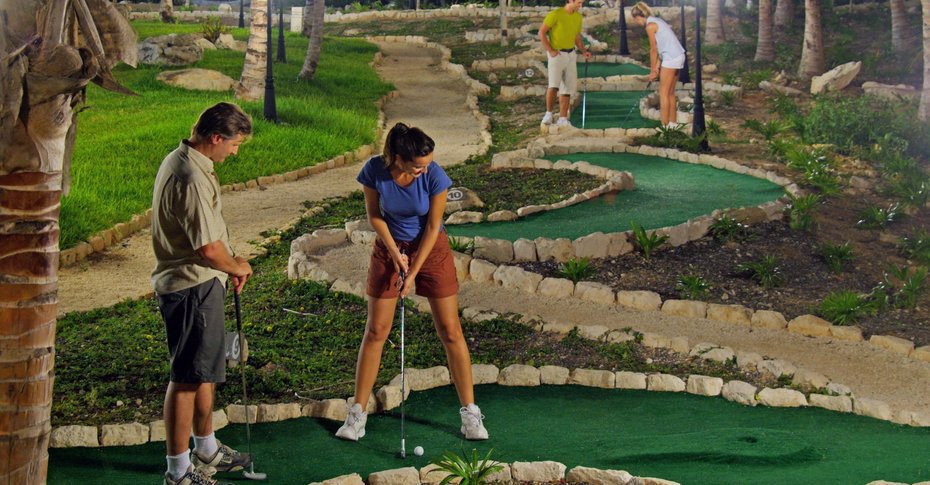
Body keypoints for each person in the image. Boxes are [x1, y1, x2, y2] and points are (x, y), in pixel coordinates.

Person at [335, 122, 489, 442]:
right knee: (376, 330)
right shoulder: (375, 171)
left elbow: (433, 227)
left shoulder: (435, 176)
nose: (425, 169)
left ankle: (470, 413)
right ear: (398, 158)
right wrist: (393, 253)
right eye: (419, 165)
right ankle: (357, 414)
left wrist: (413, 272)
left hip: (430, 251)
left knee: (450, 330)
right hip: (390, 247)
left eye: (428, 162)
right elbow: (375, 215)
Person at [152, 102, 255, 485]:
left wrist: (230, 264)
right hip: (190, 286)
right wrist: (237, 265)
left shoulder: (185, 160)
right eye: (235, 144)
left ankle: (206, 448)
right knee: (187, 379)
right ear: (216, 138)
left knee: (205, 371)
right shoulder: (190, 176)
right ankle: (178, 471)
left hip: (203, 283)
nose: (235, 151)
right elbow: (207, 250)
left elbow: (212, 243)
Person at [631, 1, 686, 128]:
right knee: (670, 92)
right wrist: (657, 67)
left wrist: (652, 71)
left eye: (636, 20)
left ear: (638, 17)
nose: (637, 23)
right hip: (678, 55)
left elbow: (654, 50)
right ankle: (673, 124)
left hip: (671, 58)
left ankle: (665, 126)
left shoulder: (650, 26)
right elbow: (664, 45)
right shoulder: (658, 21)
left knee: (663, 93)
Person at [539, 0, 592, 127]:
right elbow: (541, 32)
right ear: (570, 1)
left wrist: (584, 51)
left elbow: (577, 37)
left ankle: (563, 118)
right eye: (579, 2)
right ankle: (549, 114)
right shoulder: (556, 14)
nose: (581, 5)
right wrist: (550, 50)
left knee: (567, 87)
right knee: (553, 85)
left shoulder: (578, 17)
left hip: (571, 54)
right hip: (557, 54)